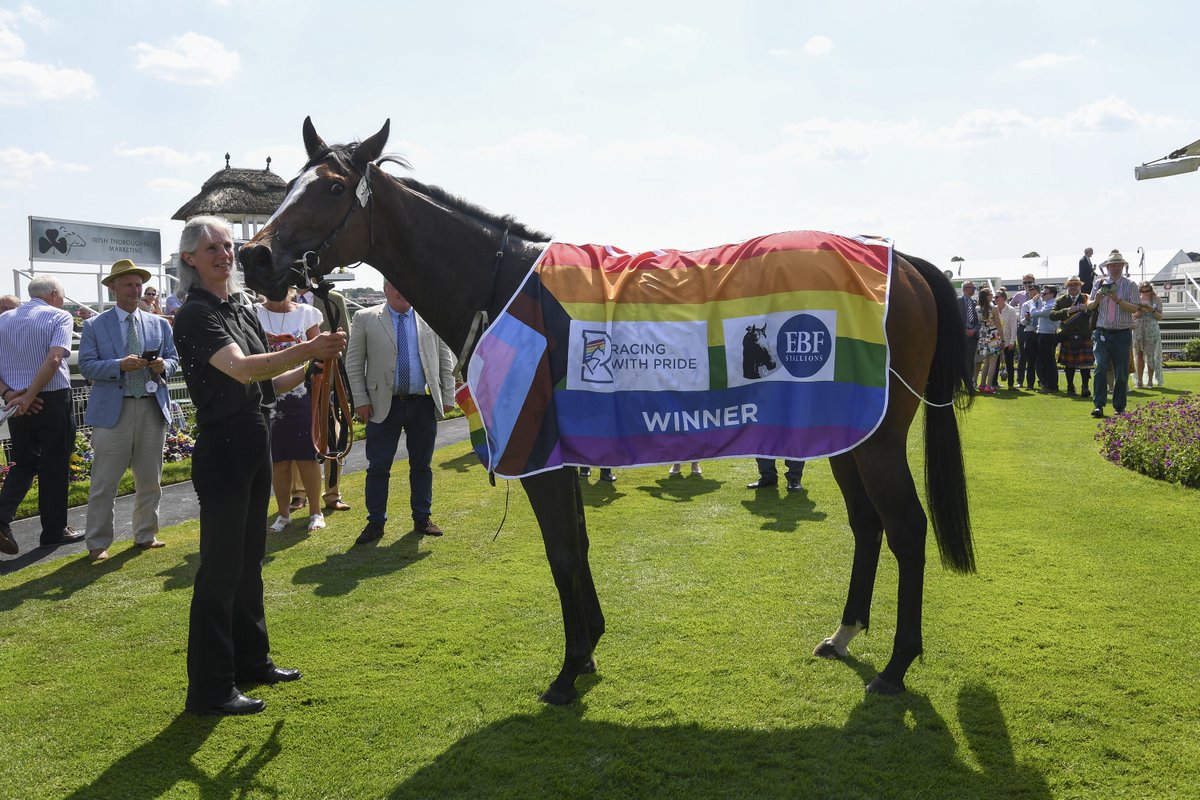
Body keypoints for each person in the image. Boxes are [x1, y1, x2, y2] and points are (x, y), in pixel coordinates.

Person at [172, 215, 347, 716]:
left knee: (248, 566)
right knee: (220, 572)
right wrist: (309, 347)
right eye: (212, 248)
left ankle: (252, 662)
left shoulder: (239, 309)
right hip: (224, 452)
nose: (224, 254)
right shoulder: (196, 314)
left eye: (227, 246)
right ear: (190, 259)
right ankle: (210, 688)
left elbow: (266, 384)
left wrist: (312, 364)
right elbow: (241, 368)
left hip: (254, 441)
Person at [78, 259, 180, 562]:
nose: (135, 290)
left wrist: (165, 366)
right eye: (128, 285)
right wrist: (118, 366)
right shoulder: (95, 325)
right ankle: (97, 542)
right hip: (114, 412)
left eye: (138, 285)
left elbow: (174, 359)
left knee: (150, 479)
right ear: (113, 288)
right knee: (104, 483)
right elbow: (86, 365)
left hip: (151, 408)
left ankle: (146, 534)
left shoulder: (159, 323)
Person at [346, 281, 456, 545]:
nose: (402, 290)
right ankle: (375, 522)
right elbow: (353, 363)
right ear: (385, 288)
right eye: (394, 285)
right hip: (383, 405)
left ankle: (422, 518)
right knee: (378, 467)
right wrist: (360, 400)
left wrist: (448, 395)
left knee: (422, 465)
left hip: (423, 404)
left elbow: (445, 358)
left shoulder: (429, 317)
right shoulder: (365, 318)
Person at [0, 275, 84, 555]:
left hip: (15, 399)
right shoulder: (59, 316)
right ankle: (54, 530)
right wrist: (30, 393)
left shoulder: (4, 319)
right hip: (50, 397)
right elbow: (54, 359)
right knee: (55, 465)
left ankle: (1, 518)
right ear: (53, 294)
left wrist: (11, 395)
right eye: (62, 294)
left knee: (24, 462)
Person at [255, 288, 327, 533]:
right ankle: (283, 515)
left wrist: (298, 347)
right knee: (278, 459)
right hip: (267, 396)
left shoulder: (307, 313)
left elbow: (320, 354)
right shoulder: (251, 313)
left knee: (308, 456)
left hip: (303, 394)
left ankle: (316, 511)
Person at [291, 287, 352, 513]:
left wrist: (343, 382)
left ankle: (332, 493)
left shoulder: (333, 300)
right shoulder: (284, 301)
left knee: (333, 437)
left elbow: (347, 340)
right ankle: (299, 493)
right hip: (294, 383)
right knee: (298, 436)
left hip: (327, 381)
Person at [1086, 250, 1139, 418]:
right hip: (1102, 332)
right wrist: (1098, 299)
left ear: (1123, 267)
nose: (1115, 268)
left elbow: (1136, 308)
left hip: (1122, 333)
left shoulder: (1130, 285)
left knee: (1121, 372)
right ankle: (1098, 405)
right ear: (1107, 267)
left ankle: (1119, 406)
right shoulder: (1099, 283)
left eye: (1118, 265)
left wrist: (1118, 300)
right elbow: (1089, 306)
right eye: (1112, 265)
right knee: (1100, 367)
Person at [1049, 276, 1095, 398]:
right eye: (1071, 285)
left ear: (1080, 286)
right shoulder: (1060, 300)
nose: (1074, 287)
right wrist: (1068, 310)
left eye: (1076, 284)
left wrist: (1086, 309)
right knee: (1069, 365)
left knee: (1085, 364)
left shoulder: (1087, 298)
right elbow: (1052, 315)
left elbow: (1096, 312)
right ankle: (1070, 386)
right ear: (1067, 287)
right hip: (1067, 335)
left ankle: (1085, 387)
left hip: (1084, 334)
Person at [1132, 282, 1164, 389]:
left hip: (1151, 328)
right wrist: (1139, 312)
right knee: (1139, 354)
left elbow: (1160, 317)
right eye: (1142, 291)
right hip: (1138, 328)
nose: (1145, 293)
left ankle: (1150, 381)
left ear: (1151, 290)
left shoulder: (1157, 299)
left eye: (1147, 290)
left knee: (1151, 355)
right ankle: (1139, 381)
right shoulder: (1136, 299)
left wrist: (1152, 310)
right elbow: (1132, 316)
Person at [1029, 284, 1060, 392]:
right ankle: (1047, 383)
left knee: (1048, 361)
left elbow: (1035, 314)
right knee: (1045, 360)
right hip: (1044, 333)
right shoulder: (1048, 303)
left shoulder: (1051, 304)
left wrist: (1032, 303)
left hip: (1048, 335)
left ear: (1052, 294)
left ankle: (1050, 385)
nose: (1042, 295)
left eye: (1044, 293)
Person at [973, 287, 1002, 394]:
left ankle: (982, 384)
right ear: (987, 296)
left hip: (983, 335)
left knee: (985, 362)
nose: (992, 296)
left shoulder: (977, 308)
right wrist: (1002, 339)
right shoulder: (993, 308)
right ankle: (989, 386)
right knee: (992, 362)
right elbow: (998, 325)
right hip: (993, 334)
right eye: (990, 294)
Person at [993, 289, 1019, 390]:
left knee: (1009, 363)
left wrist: (1012, 342)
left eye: (997, 297)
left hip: (1008, 341)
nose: (995, 299)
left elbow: (1014, 327)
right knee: (995, 363)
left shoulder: (1011, 310)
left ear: (1003, 298)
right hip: (996, 341)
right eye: (995, 297)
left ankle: (1011, 384)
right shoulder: (993, 309)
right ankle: (994, 383)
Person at [1017, 283, 1041, 390]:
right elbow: (1022, 322)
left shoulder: (1044, 303)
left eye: (1035, 293)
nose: (1033, 295)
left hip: (1041, 332)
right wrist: (1027, 319)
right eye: (1031, 293)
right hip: (1029, 332)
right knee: (1030, 360)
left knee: (1041, 359)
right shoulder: (1026, 304)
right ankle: (1030, 384)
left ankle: (1043, 382)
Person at [957, 281, 979, 384]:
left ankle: (968, 383)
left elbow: (979, 321)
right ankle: (957, 383)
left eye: (974, 288)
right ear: (965, 288)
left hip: (972, 336)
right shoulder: (957, 301)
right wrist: (963, 330)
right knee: (959, 359)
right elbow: (954, 319)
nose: (974, 290)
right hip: (960, 335)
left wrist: (974, 330)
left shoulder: (975, 303)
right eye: (972, 288)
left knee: (970, 361)